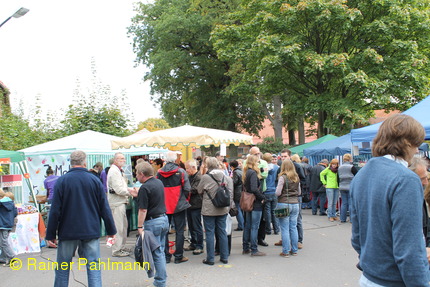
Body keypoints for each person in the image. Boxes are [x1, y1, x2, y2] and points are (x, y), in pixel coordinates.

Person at [350, 114, 429, 286]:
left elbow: (357, 237)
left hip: (369, 277)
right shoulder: (405, 179)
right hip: (394, 280)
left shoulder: (361, 174)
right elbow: (409, 249)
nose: (417, 151)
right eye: (417, 145)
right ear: (407, 142)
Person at [46, 150, 117, 287]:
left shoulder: (62, 181)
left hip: (67, 231)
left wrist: (51, 234)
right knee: (93, 266)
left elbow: (55, 211)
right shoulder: (94, 180)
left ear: (71, 163)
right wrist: (111, 230)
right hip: (90, 229)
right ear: (85, 162)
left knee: (62, 267)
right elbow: (104, 208)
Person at [136, 161, 169, 287]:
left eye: (137, 174)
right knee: (160, 250)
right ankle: (161, 279)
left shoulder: (145, 187)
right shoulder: (158, 182)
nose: (136, 176)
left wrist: (139, 226)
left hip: (153, 222)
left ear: (142, 174)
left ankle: (160, 281)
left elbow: (143, 210)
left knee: (156, 253)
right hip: (163, 219)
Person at [157, 151, 191, 264]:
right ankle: (178, 256)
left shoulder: (159, 173)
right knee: (180, 231)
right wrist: (184, 199)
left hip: (164, 205)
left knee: (164, 232)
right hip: (179, 204)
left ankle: (166, 256)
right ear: (175, 159)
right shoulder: (181, 172)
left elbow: (157, 188)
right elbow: (187, 189)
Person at [197, 157, 233, 265]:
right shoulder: (224, 176)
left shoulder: (205, 177)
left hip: (209, 209)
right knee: (222, 232)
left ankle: (210, 258)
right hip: (222, 209)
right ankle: (224, 257)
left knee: (209, 233)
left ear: (207, 165)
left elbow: (199, 190)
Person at [107, 152, 137, 257]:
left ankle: (120, 247)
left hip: (120, 202)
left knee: (123, 227)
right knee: (118, 228)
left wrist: (129, 190)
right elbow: (118, 189)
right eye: (121, 158)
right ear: (115, 160)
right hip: (117, 203)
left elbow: (121, 187)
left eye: (124, 159)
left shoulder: (118, 170)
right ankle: (116, 250)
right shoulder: (114, 171)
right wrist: (131, 192)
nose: (123, 160)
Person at [242, 154, 266, 256]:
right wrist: (262, 197)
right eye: (257, 161)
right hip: (255, 202)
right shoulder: (252, 173)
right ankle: (254, 249)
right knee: (254, 227)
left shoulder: (247, 172)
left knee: (248, 225)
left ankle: (246, 247)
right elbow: (253, 188)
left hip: (249, 201)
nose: (258, 163)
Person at [276, 159, 301, 257]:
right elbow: (299, 192)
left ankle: (285, 251)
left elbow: (278, 192)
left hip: (284, 203)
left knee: (284, 228)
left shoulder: (282, 177)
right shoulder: (296, 177)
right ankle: (294, 250)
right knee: (293, 227)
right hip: (295, 204)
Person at [184, 159, 204, 255]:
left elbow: (195, 189)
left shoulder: (199, 177)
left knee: (197, 226)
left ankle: (199, 245)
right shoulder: (189, 176)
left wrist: (184, 189)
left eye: (187, 168)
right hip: (189, 204)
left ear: (193, 167)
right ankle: (193, 243)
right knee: (191, 226)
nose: (186, 170)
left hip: (196, 205)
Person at [262, 153, 280, 235]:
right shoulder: (277, 167)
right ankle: (276, 229)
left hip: (267, 190)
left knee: (267, 211)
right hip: (275, 190)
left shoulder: (264, 168)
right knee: (274, 210)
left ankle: (268, 229)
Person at [338, 154, 358, 223]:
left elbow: (338, 177)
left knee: (344, 203)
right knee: (350, 203)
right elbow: (357, 175)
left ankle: (342, 218)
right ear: (350, 159)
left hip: (342, 186)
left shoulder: (340, 167)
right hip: (350, 186)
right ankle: (352, 219)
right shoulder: (351, 167)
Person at [0, 189, 17, 266]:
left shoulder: (1, 203)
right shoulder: (11, 202)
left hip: (2, 225)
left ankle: (11, 257)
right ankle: (2, 258)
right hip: (9, 224)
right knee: (3, 242)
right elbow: (15, 213)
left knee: (3, 242)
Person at [230, 160, 244, 231]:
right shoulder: (241, 171)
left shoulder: (235, 172)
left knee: (237, 208)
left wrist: (230, 179)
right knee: (241, 209)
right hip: (242, 191)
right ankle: (242, 224)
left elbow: (234, 182)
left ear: (232, 166)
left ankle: (241, 225)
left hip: (237, 192)